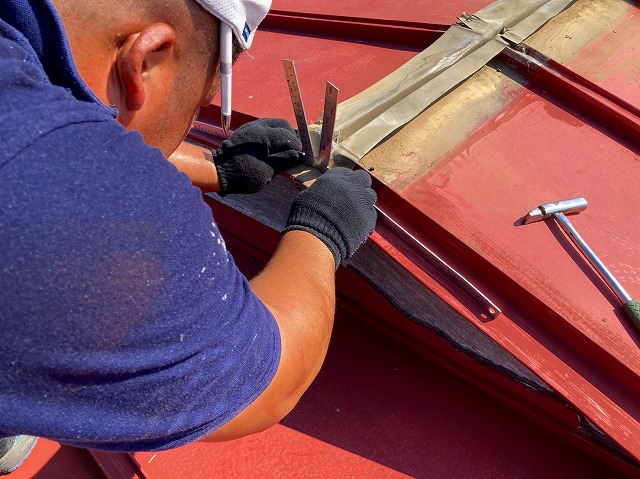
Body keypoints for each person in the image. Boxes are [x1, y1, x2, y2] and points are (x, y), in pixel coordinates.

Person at [0, 0, 377, 473]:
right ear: (148, 56)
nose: (190, 123)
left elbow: (63, 132)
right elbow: (262, 383)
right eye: (198, 103)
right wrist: (324, 232)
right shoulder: (61, 186)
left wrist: (214, 170)